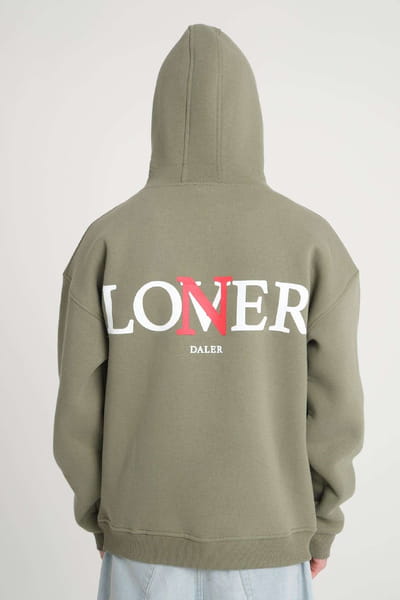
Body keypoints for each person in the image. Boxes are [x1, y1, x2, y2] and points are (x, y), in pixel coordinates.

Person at [53, 23, 364, 600]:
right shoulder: (311, 241)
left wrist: (105, 517)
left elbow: (77, 408)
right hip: (270, 544)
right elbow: (336, 408)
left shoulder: (108, 240)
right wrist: (322, 525)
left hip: (142, 543)